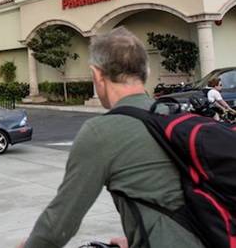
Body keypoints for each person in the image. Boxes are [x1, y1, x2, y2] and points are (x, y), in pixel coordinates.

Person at [17, 27, 204, 248]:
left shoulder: (100, 132)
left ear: (97, 74)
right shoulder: (174, 117)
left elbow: (59, 224)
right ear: (147, 71)